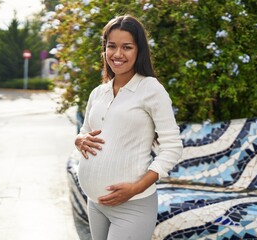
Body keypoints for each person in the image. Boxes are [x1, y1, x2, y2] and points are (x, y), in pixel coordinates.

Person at [74, 15, 183, 240]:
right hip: (95, 204)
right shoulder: (98, 92)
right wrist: (79, 140)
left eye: (127, 47)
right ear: (104, 49)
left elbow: (172, 148)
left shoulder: (151, 89)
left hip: (133, 206)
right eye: (111, 46)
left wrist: (136, 188)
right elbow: (85, 130)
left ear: (139, 50)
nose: (118, 54)